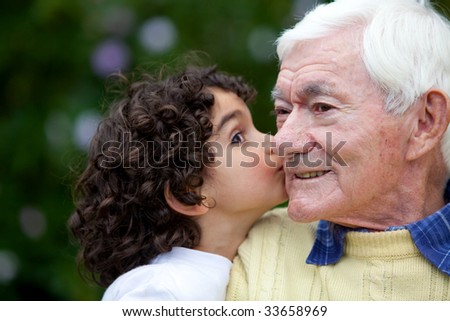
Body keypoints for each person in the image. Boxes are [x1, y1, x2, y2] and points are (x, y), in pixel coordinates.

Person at [226, 0, 450, 300]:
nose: (281, 143)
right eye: (282, 110)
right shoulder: (246, 245)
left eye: (322, 107)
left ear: (424, 123)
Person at [68, 65, 287, 300]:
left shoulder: (238, 266)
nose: (274, 141)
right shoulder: (162, 290)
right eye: (237, 137)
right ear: (188, 193)